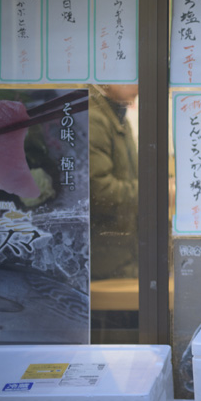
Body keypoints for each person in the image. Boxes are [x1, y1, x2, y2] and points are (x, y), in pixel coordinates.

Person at [89, 84, 139, 280]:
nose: (139, 84)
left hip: (120, 255)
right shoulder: (94, 117)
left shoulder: (116, 114)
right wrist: (159, 193)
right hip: (104, 261)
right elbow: (99, 192)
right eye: (131, 76)